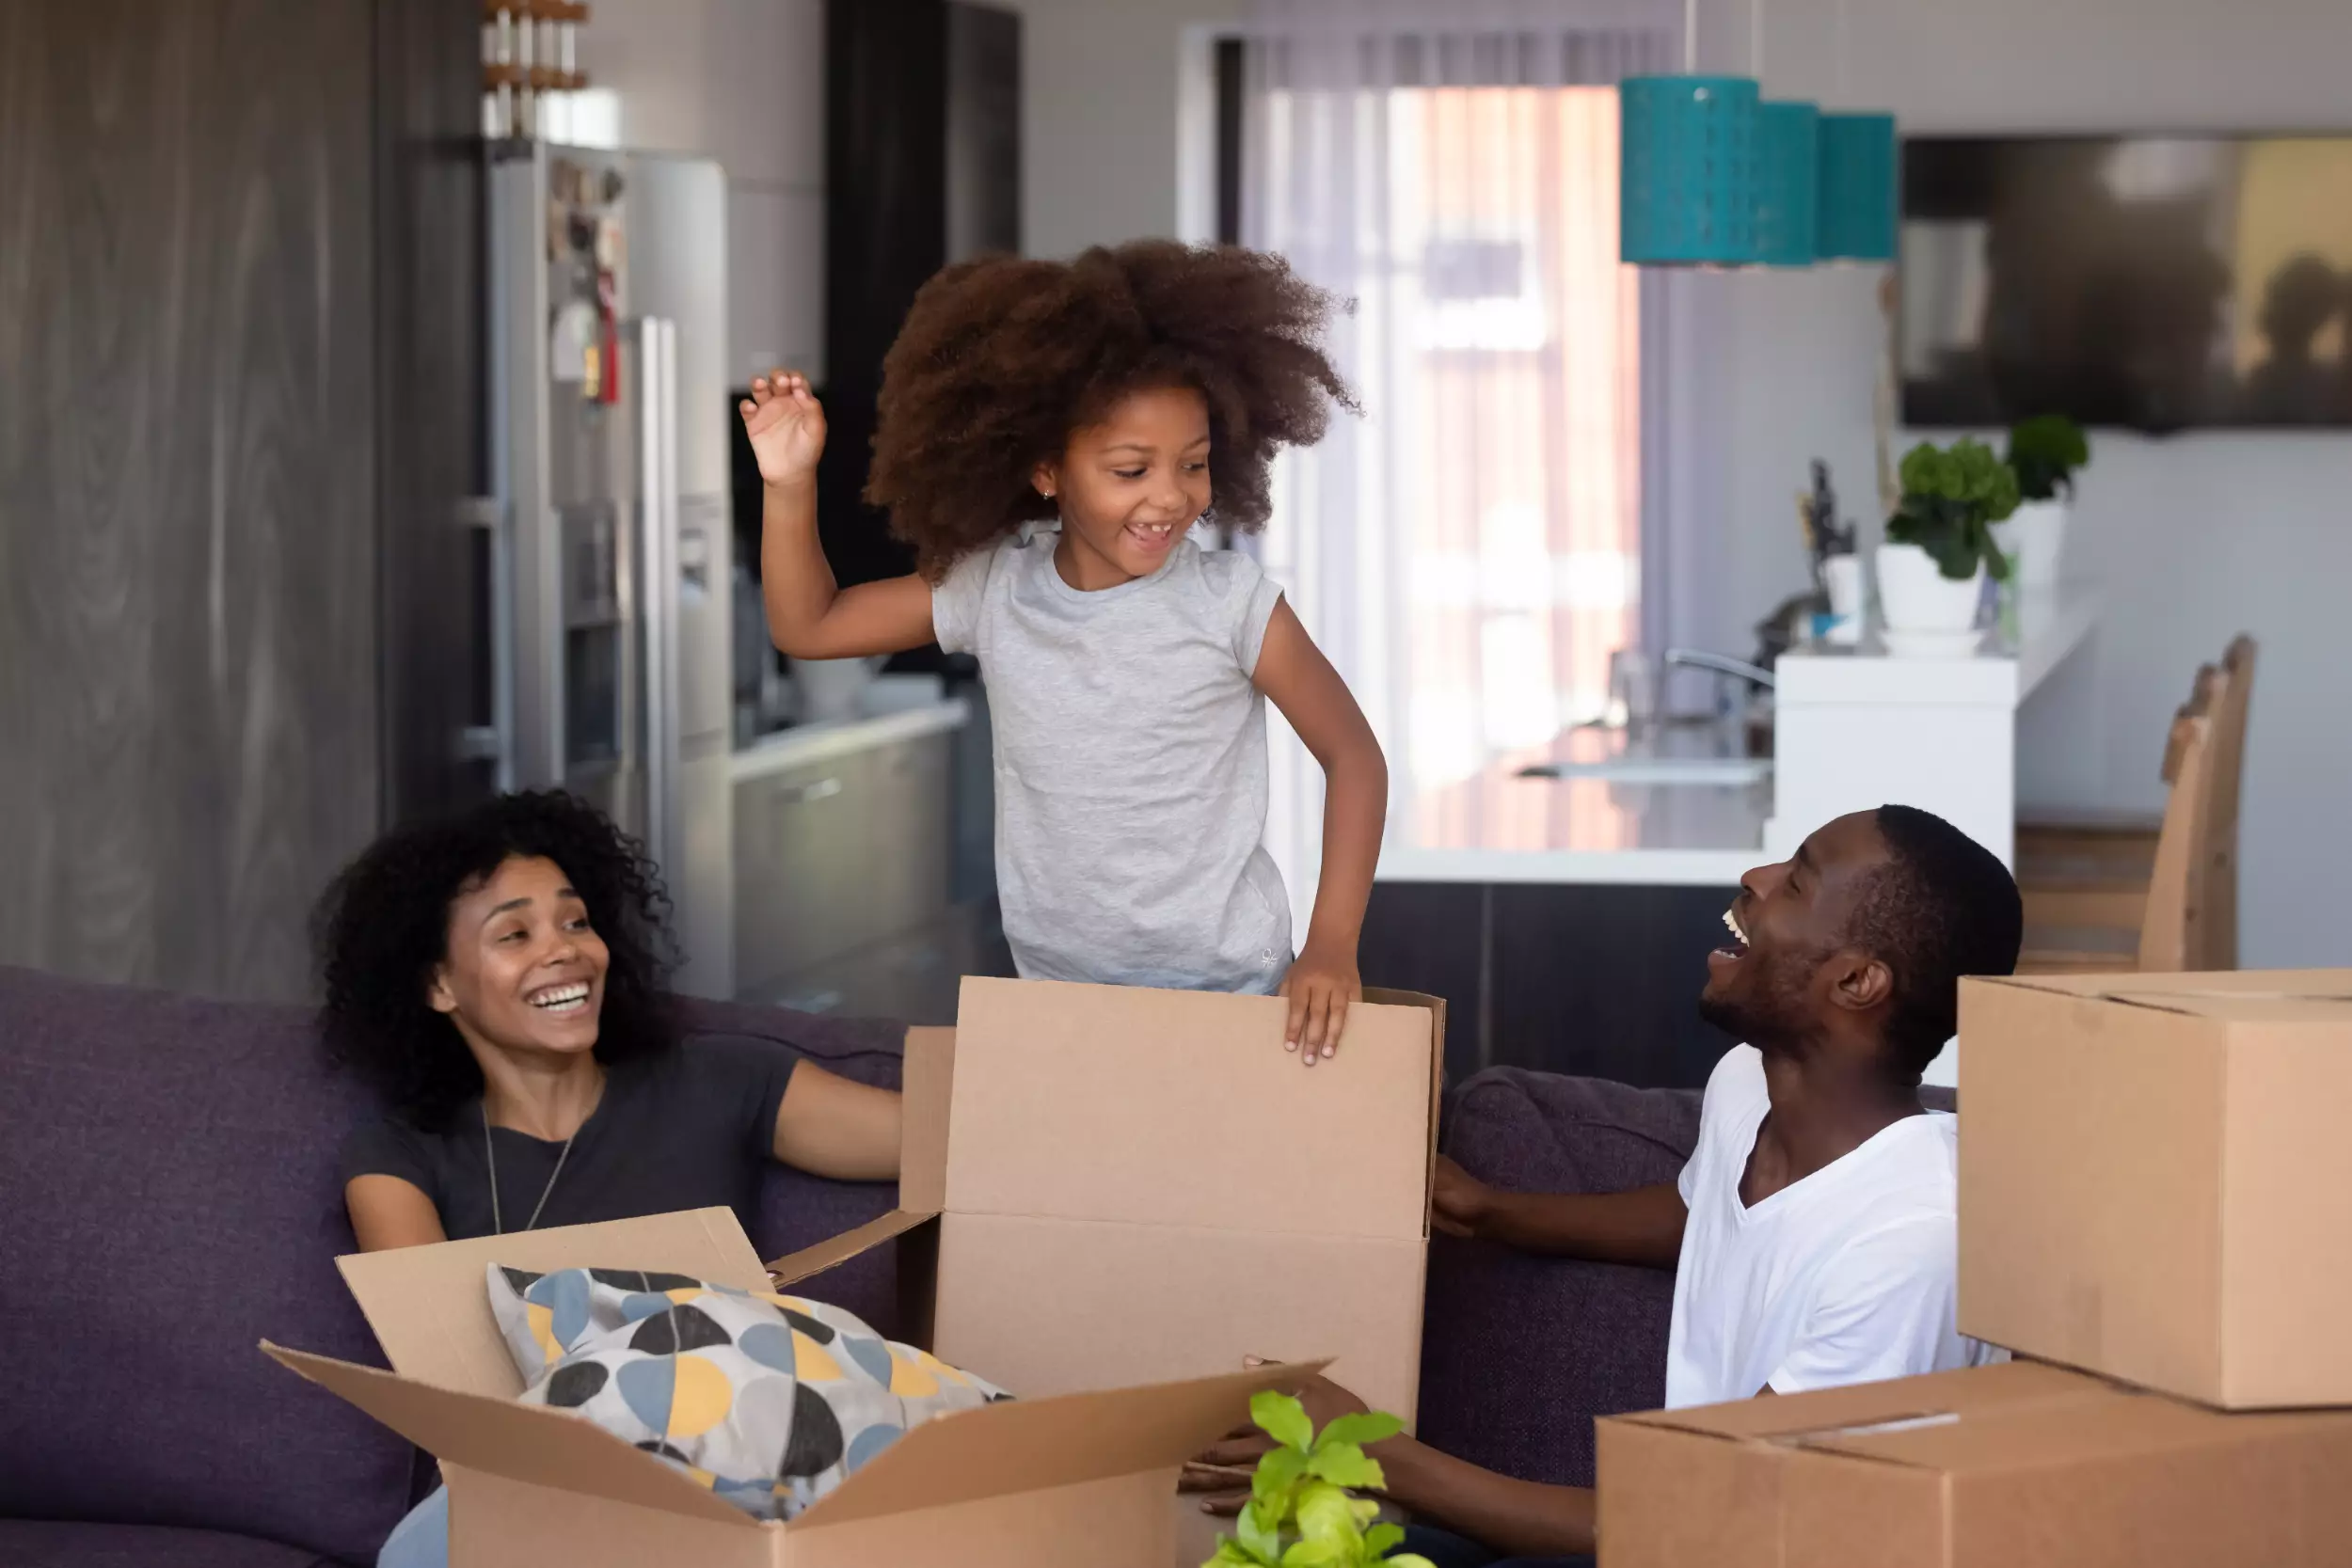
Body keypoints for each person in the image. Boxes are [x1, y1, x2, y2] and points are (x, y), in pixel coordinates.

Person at [1187, 806, 2024, 1567]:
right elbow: (1709, 1212)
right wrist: (1498, 1210)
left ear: (1855, 982)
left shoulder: (1911, 1241)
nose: (1756, 879)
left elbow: (1710, 1516)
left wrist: (1380, 1454)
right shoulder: (1750, 1087)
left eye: (1797, 878)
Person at [739, 241, 1387, 1062]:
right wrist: (789, 484)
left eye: (1193, 464)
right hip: (1059, 1005)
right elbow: (811, 625)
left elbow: (1355, 757)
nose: (1171, 496)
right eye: (1130, 469)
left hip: (1236, 1000)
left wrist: (1331, 945)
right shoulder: (995, 589)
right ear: (1047, 470)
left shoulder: (1231, 605)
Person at [319, 792, 906, 1568]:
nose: (565, 950)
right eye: (514, 934)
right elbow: (453, 1396)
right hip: (534, 1488)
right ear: (438, 985)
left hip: (735, 1458)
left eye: (575, 921)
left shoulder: (723, 1079)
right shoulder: (398, 1159)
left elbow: (967, 1142)